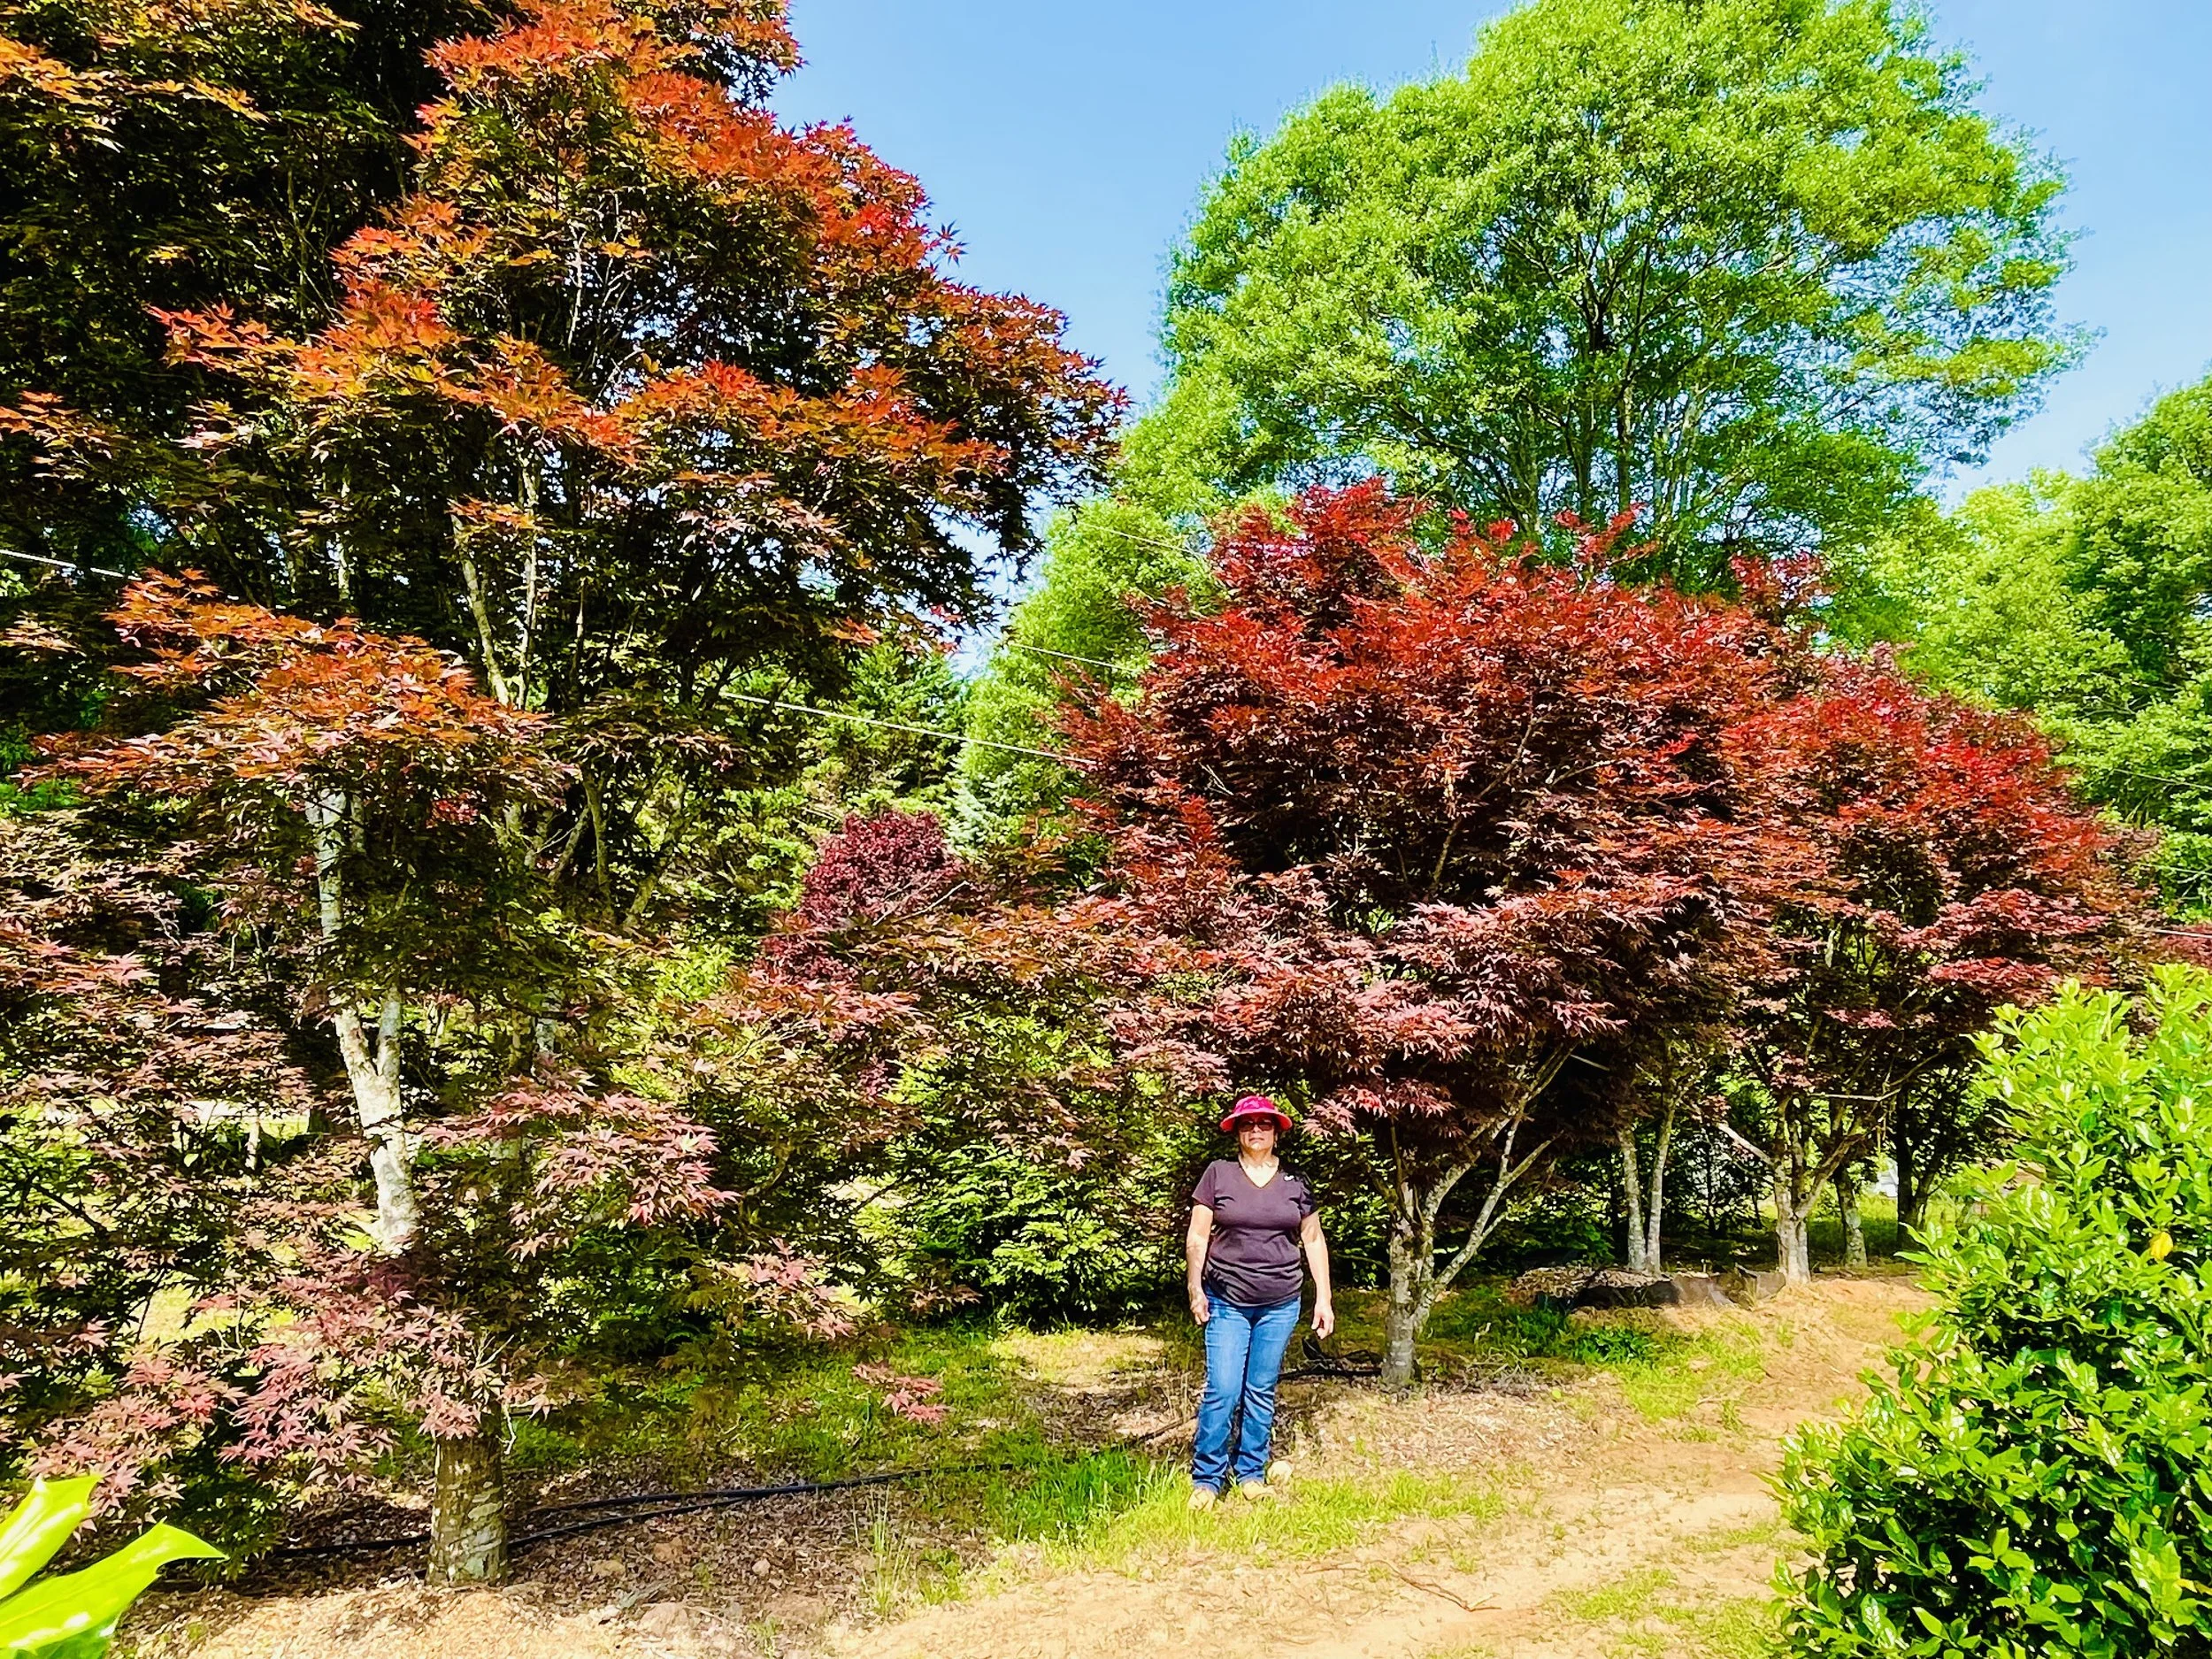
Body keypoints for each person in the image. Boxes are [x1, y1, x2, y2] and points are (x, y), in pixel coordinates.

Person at [1185, 1094, 1334, 1508]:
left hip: (1281, 1302)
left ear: (1275, 1132)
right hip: (1227, 1299)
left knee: (1260, 1388)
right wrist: (1196, 1289)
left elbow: (1313, 1239)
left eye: (1264, 1124)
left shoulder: (1297, 1183)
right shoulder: (1219, 1175)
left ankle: (1250, 1471)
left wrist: (1323, 1297)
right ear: (1236, 1130)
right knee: (1224, 1388)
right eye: (1248, 1124)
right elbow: (1198, 1237)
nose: (1256, 1131)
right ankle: (1207, 1479)